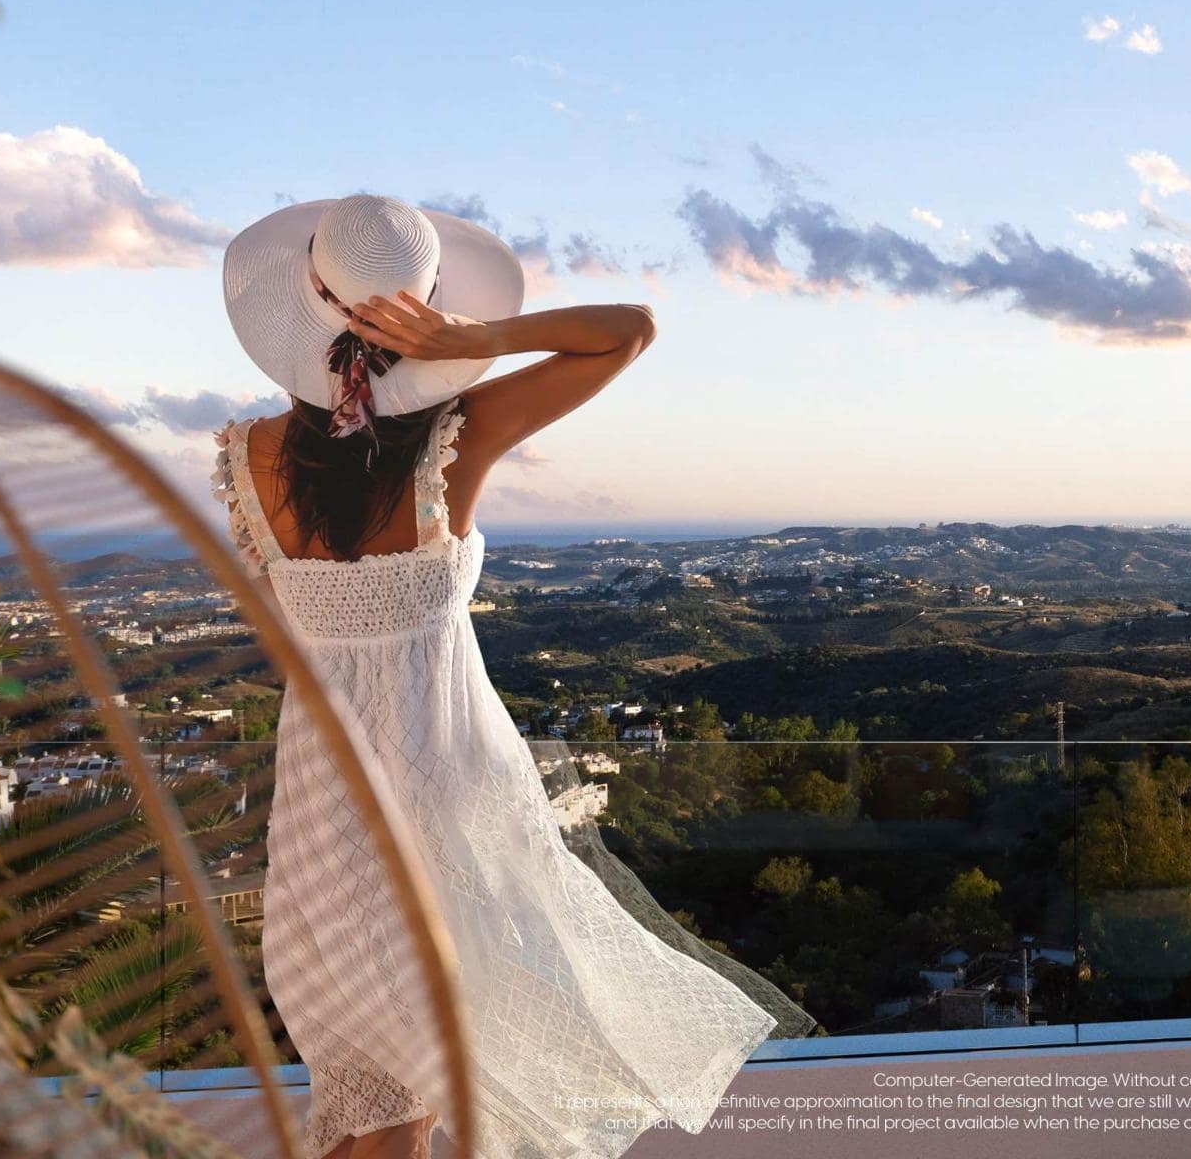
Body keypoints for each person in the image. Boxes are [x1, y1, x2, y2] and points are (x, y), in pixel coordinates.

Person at [214, 194, 803, 1159]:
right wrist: (476, 339)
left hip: (321, 801)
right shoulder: (460, 437)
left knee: (367, 1087)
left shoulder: (248, 458)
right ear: (425, 313)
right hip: (444, 783)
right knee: (415, 1081)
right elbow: (628, 330)